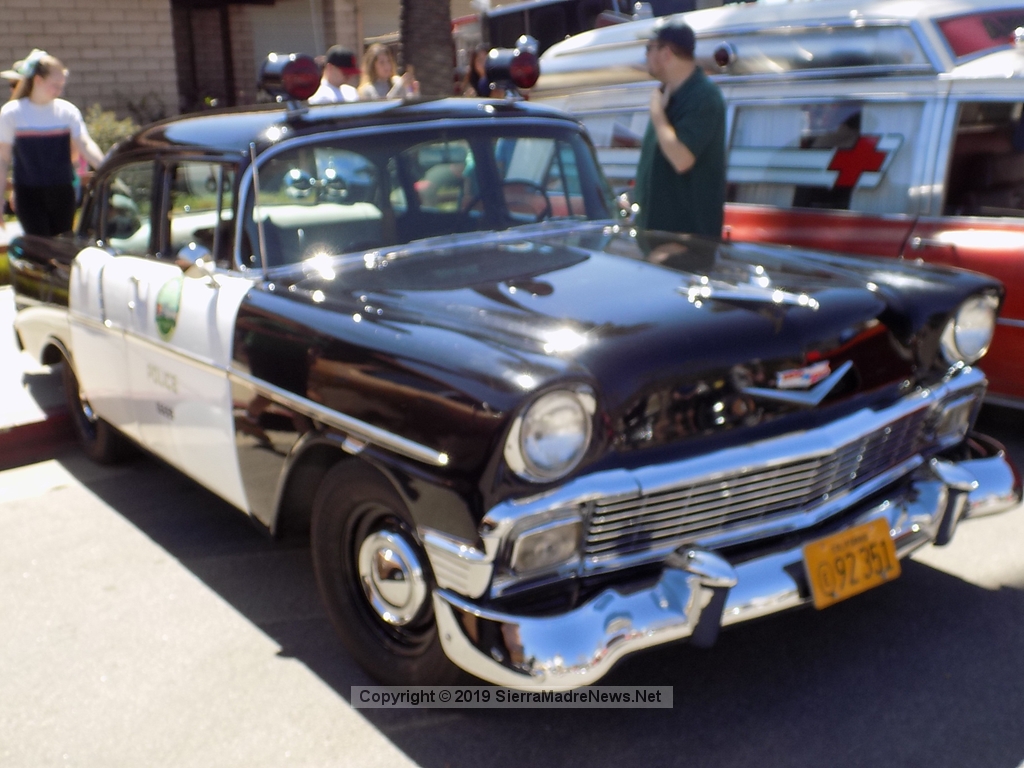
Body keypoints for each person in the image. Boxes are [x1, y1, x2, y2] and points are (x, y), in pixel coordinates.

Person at [633, 20, 726, 237]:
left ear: (666, 53)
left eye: (649, 48)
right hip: (654, 236)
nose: (645, 55)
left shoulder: (704, 97)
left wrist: (658, 114)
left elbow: (682, 159)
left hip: (687, 243)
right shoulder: (666, 94)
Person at [0, 50, 105, 236]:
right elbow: (3, 159)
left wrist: (105, 166)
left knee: (63, 241)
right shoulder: (12, 113)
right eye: (55, 85)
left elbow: (85, 143)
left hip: (62, 192)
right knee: (40, 243)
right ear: (38, 80)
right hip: (28, 194)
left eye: (61, 86)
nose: (59, 91)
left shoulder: (66, 111)